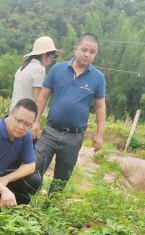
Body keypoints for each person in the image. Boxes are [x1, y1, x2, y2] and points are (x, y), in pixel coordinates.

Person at [32, 33, 106, 195]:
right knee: (34, 168)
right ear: (76, 49)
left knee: (61, 177)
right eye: (84, 50)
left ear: (95, 54)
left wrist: (99, 134)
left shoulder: (98, 78)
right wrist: (36, 121)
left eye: (92, 52)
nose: (87, 54)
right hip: (51, 131)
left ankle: (49, 210)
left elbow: (100, 107)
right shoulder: (58, 69)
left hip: (74, 136)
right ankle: (25, 203)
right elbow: (43, 96)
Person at [0, 98, 42, 206]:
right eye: (18, 120)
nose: (21, 127)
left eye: (27, 124)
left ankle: (14, 208)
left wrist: (6, 178)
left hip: (2, 175)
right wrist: (3, 190)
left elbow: (30, 165)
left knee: (34, 181)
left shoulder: (26, 135)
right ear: (10, 114)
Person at [10, 36, 63, 110]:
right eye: (51, 57)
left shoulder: (23, 67)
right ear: (44, 54)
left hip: (14, 110)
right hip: (25, 113)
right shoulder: (39, 69)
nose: (50, 61)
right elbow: (37, 100)